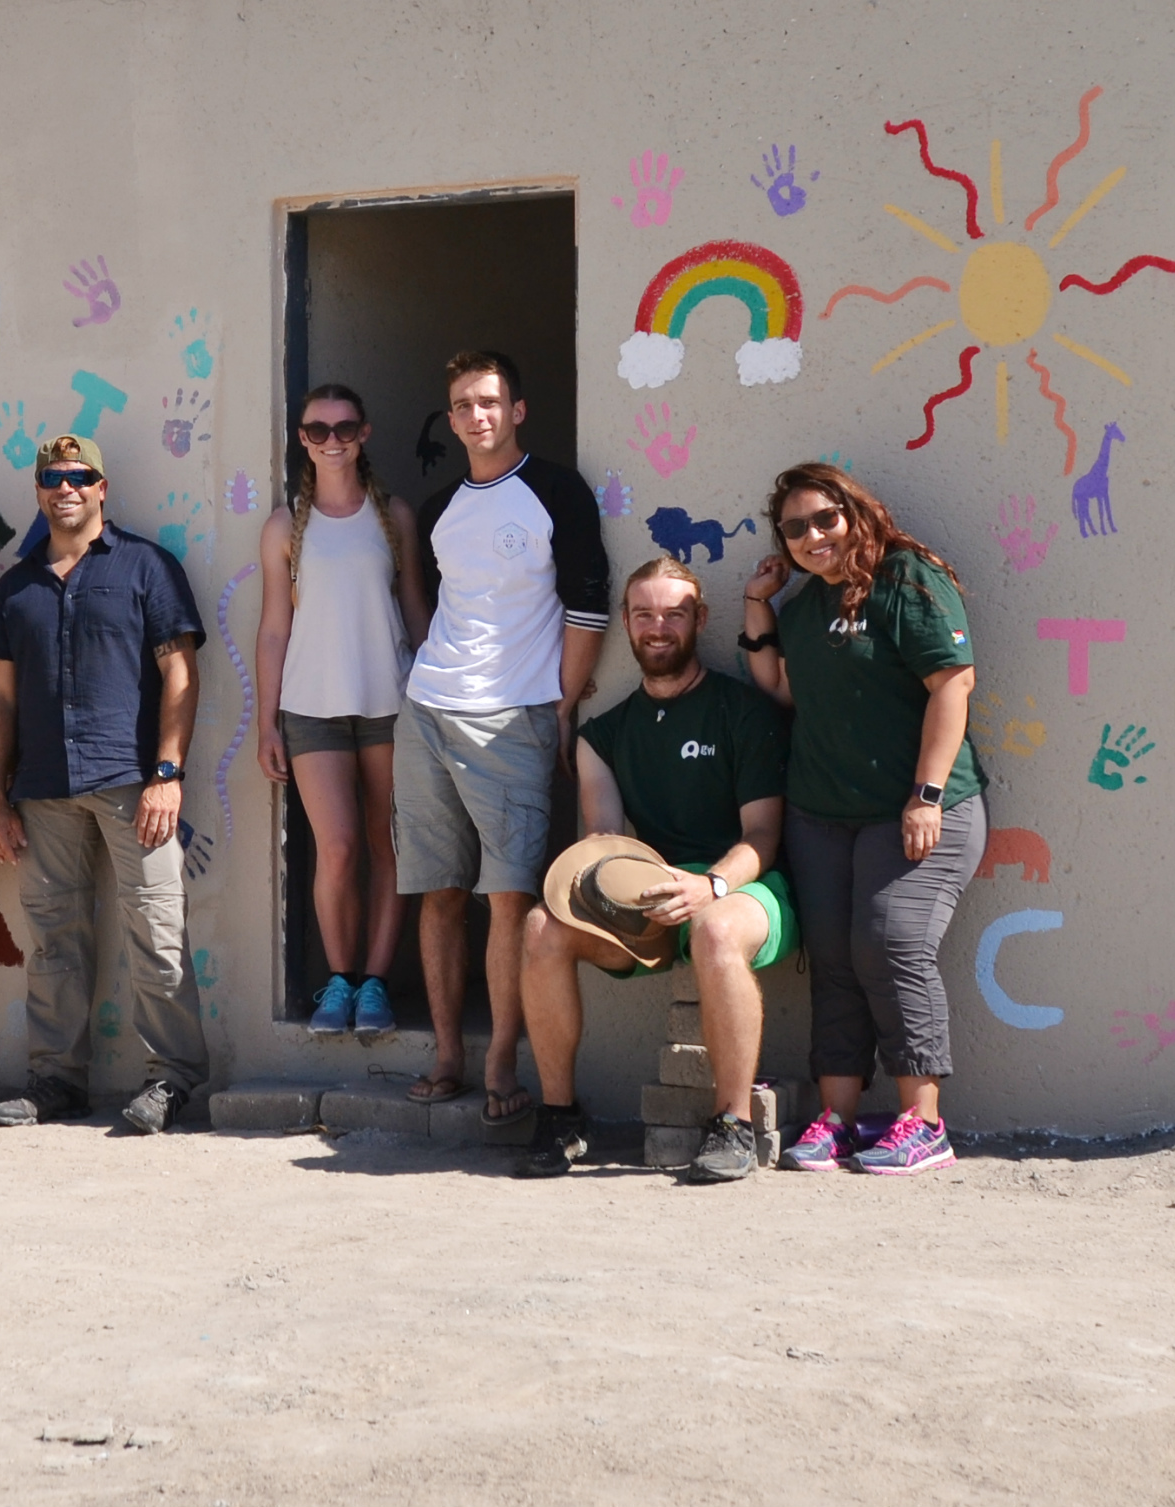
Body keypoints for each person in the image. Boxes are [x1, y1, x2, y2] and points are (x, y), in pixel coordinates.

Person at [742, 461, 987, 1175]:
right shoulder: (804, 606)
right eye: (795, 528)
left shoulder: (907, 579)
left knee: (891, 940)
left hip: (913, 808)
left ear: (856, 512)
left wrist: (927, 794)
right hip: (822, 814)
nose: (813, 536)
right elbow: (781, 686)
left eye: (825, 518)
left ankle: (924, 1121)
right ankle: (838, 1118)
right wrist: (758, 603)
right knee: (834, 957)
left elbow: (953, 682)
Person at [518, 556, 796, 1182]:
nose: (658, 627)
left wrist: (711, 886)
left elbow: (762, 837)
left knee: (716, 930)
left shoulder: (744, 711)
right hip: (654, 894)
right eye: (644, 614)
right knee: (540, 928)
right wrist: (608, 895)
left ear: (700, 618)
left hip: (747, 887)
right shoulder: (604, 733)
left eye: (674, 613)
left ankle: (732, 1125)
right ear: (626, 622)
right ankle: (561, 1118)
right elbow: (604, 841)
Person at [397, 351, 611, 1138]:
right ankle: (448, 1055)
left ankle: (501, 1068)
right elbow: (436, 601)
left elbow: (588, 605)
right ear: (450, 419)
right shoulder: (436, 506)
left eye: (488, 401)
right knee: (438, 889)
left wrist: (559, 706)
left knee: (507, 898)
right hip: (425, 709)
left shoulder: (556, 490)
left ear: (516, 409)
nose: (475, 415)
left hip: (514, 715)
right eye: (461, 405)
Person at [0, 434, 210, 1134]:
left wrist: (167, 772)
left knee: (156, 931)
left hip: (133, 783)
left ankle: (171, 1080)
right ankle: (55, 1081)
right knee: (53, 941)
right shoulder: (14, 587)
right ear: (40, 490)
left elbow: (180, 673)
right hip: (43, 788)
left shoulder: (146, 567)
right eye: (52, 476)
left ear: (101, 486)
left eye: (79, 475)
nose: (65, 487)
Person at [253, 384, 426, 1044]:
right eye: (316, 429)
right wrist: (266, 721)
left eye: (343, 427)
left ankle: (376, 982)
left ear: (364, 432)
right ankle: (340, 978)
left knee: (391, 847)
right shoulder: (283, 524)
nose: (331, 439)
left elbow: (414, 609)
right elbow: (273, 628)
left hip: (391, 704)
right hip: (310, 710)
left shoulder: (393, 517)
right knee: (338, 847)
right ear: (300, 438)